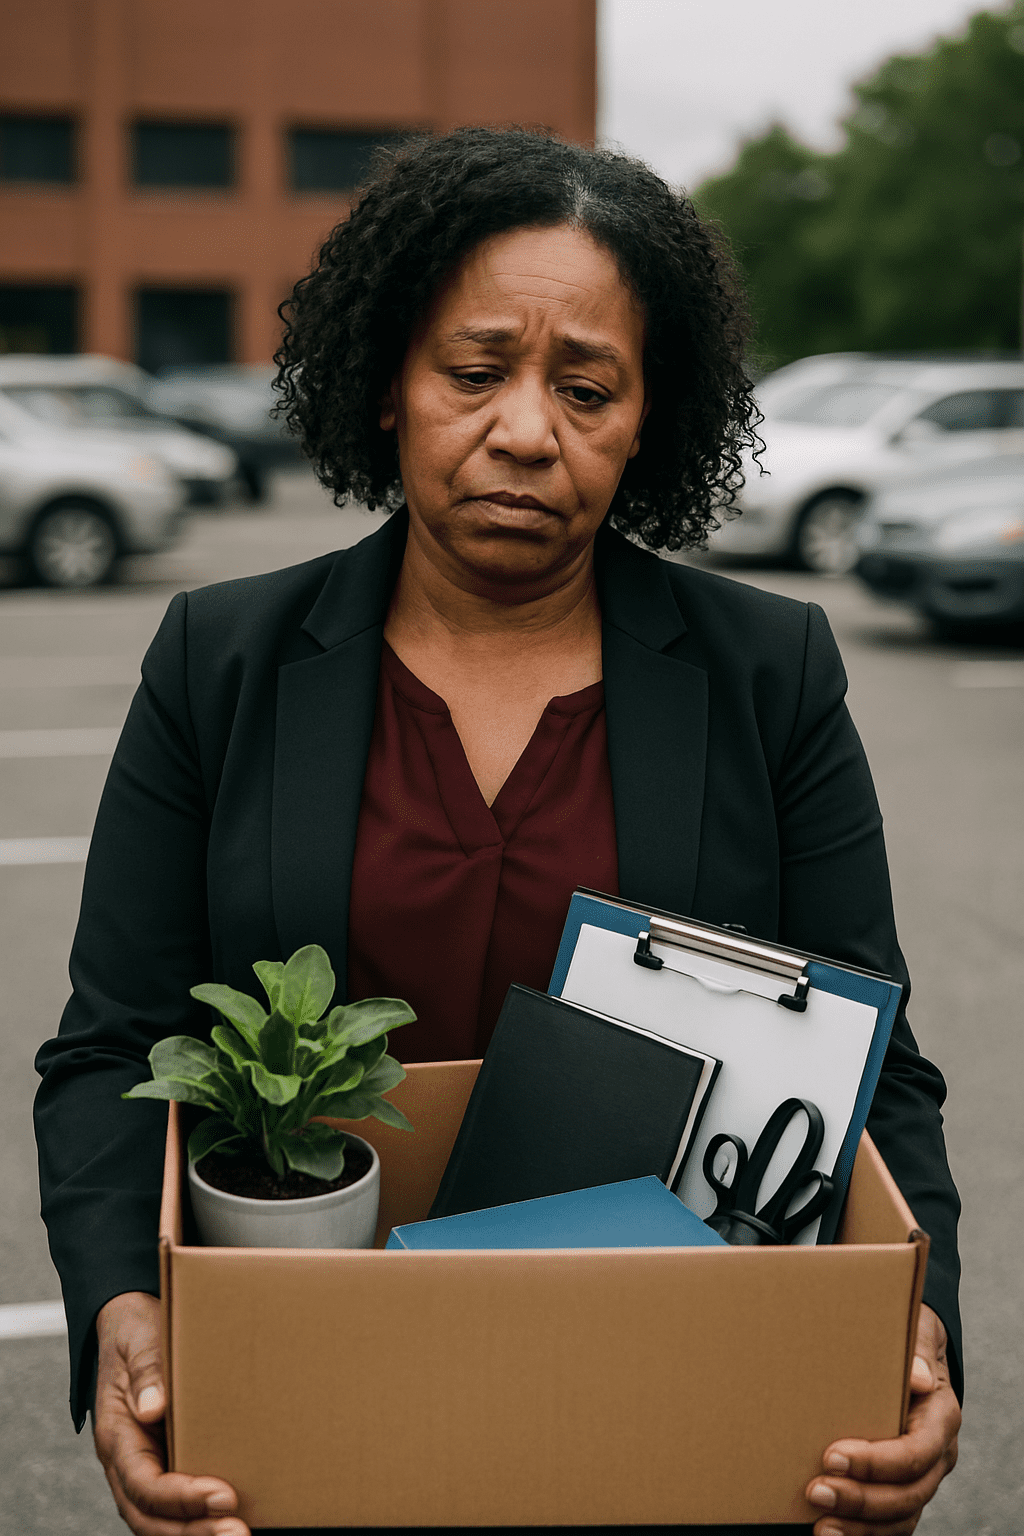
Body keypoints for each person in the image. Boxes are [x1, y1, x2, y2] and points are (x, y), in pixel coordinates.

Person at [34, 127, 961, 1536]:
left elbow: (874, 1064)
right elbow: (113, 1046)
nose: (527, 430)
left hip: (677, 1417)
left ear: (650, 418)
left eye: (587, 388)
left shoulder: (770, 677)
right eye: (476, 373)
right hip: (309, 1425)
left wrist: (917, 1329)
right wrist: (123, 1312)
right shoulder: (217, 664)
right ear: (391, 382)